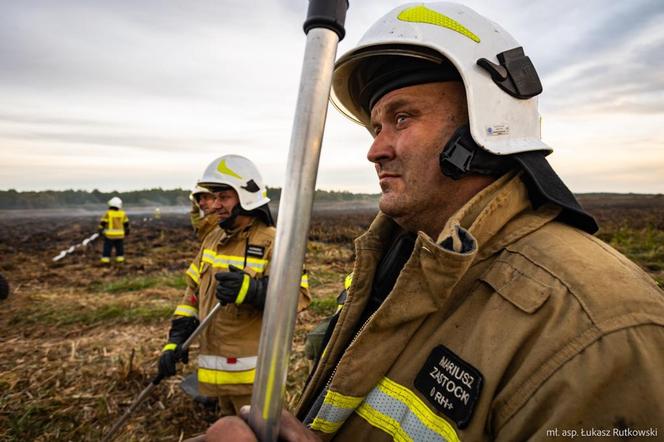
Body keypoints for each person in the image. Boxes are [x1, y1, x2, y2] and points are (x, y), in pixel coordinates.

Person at [200, 3, 664, 441]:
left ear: (486, 126)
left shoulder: (602, 333)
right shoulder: (398, 260)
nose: (375, 150)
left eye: (402, 118)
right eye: (376, 126)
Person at [158, 154, 311, 418]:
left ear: (246, 196)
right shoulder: (213, 238)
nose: (214, 205)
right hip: (216, 376)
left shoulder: (275, 241)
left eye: (223, 197)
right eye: (213, 197)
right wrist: (175, 339)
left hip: (254, 380)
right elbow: (192, 294)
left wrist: (252, 292)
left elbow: (298, 297)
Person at [99, 196, 129, 264]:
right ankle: (120, 258)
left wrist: (100, 229)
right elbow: (126, 223)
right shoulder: (122, 213)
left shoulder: (108, 213)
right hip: (120, 235)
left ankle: (105, 259)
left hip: (110, 235)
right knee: (119, 247)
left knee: (107, 247)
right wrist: (127, 230)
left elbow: (103, 222)